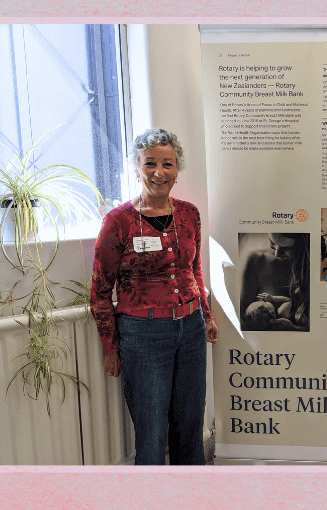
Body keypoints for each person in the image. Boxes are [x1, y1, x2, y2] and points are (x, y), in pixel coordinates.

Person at [90, 128, 218, 465]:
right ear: (136, 169)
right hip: (143, 336)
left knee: (191, 425)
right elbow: (101, 290)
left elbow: (195, 269)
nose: (159, 173)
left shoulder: (189, 214)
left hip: (190, 330)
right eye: (150, 164)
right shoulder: (118, 222)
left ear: (177, 170)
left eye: (168, 164)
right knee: (151, 432)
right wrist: (110, 348)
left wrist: (206, 316)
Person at [240, 233, 310, 331]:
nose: (277, 254)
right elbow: (243, 323)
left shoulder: (312, 268)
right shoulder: (255, 260)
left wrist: (294, 329)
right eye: (272, 242)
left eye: (287, 248)